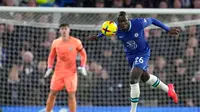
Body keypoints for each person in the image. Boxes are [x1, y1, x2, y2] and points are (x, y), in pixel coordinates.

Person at [87, 11, 179, 112]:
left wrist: (168, 29)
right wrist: (97, 37)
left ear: (128, 20)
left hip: (142, 53)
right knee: (145, 78)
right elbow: (107, 31)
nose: (122, 24)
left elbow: (153, 20)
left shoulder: (138, 23)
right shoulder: (116, 28)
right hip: (130, 56)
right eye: (120, 22)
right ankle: (169, 88)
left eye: (124, 21)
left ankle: (133, 110)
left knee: (133, 78)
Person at [44, 23, 87, 112]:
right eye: (62, 29)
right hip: (58, 72)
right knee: (52, 93)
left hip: (71, 73)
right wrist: (49, 67)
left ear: (69, 30)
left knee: (71, 94)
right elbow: (51, 56)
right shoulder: (55, 42)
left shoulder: (76, 42)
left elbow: (83, 54)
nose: (64, 30)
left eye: (65, 28)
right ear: (59, 31)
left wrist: (83, 66)